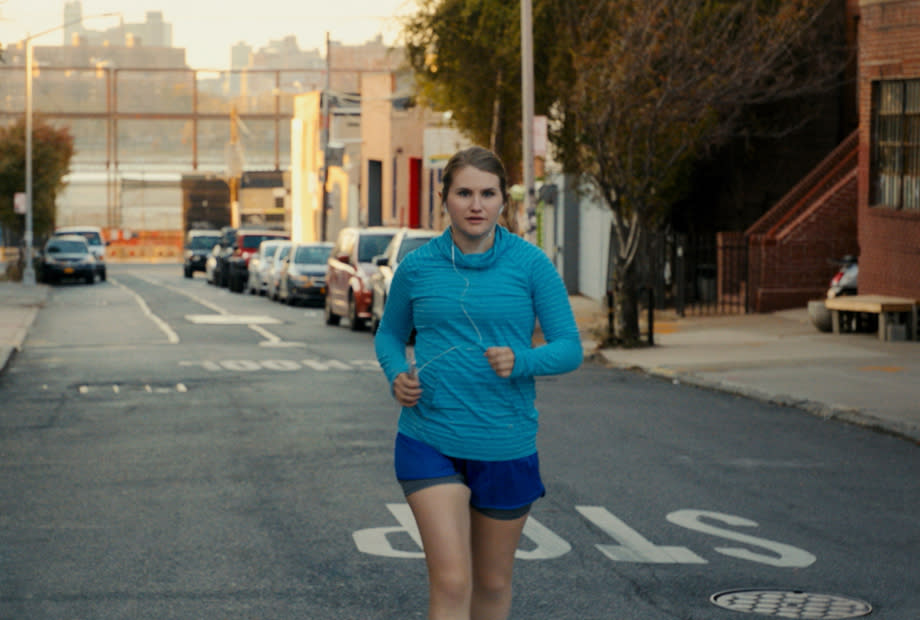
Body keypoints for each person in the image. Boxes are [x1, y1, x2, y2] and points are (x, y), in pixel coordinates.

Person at [374, 146, 583, 620]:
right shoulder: (418, 267)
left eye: (488, 194)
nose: (476, 204)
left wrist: (523, 360)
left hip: (505, 442)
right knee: (451, 581)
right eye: (464, 192)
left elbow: (570, 348)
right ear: (444, 197)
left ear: (502, 202)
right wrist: (396, 375)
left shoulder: (530, 265)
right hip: (428, 438)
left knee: (491, 584)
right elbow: (388, 335)